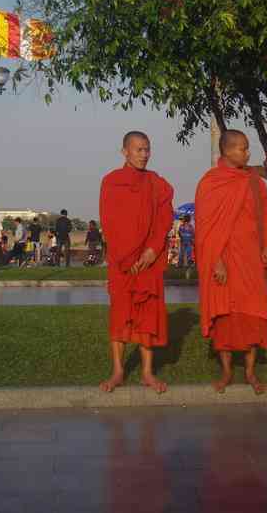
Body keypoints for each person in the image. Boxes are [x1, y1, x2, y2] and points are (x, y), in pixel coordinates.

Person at [195, 130, 267, 395]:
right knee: (225, 317)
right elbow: (205, 228)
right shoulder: (210, 183)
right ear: (227, 151)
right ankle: (227, 372)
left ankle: (250, 372)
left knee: (253, 313)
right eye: (242, 148)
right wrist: (216, 261)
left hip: (251, 257)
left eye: (247, 148)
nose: (247, 153)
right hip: (224, 259)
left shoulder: (254, 182)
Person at [98, 130, 174, 394]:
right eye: (138, 149)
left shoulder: (156, 184)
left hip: (148, 261)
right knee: (120, 314)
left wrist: (152, 250)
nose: (144, 155)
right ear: (125, 152)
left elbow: (164, 219)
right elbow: (109, 222)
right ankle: (118, 371)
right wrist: (127, 257)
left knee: (147, 315)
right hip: (122, 261)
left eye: (147, 149)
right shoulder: (112, 182)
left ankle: (147, 372)